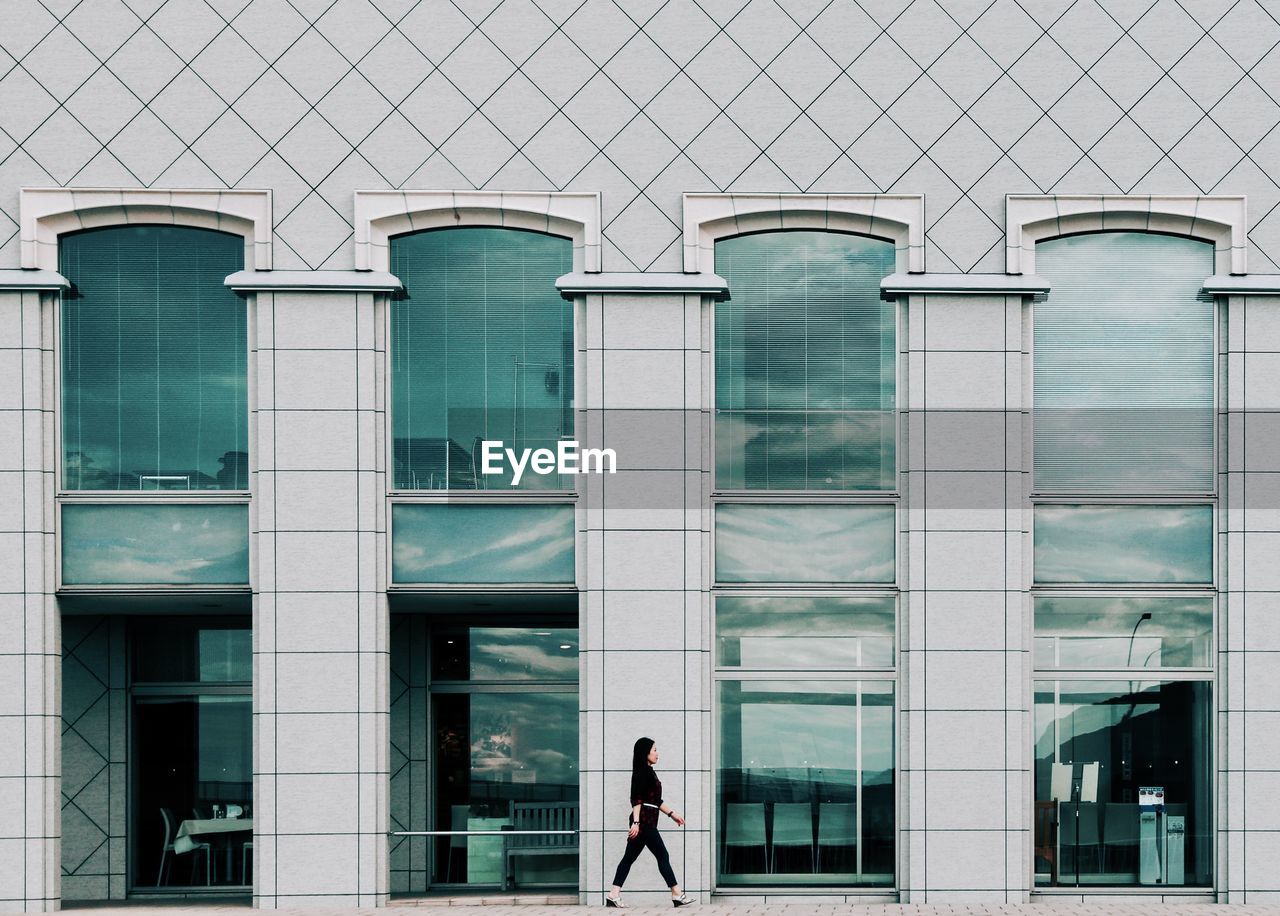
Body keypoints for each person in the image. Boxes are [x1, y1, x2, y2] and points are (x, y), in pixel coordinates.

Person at [606, 737, 694, 907]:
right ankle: (677, 893)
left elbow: (657, 800)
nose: (657, 753)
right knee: (663, 855)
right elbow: (636, 799)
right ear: (645, 752)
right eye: (654, 750)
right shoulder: (642, 772)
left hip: (646, 822)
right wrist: (637, 823)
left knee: (628, 858)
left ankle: (613, 894)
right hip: (644, 823)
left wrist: (673, 814)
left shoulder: (649, 771)